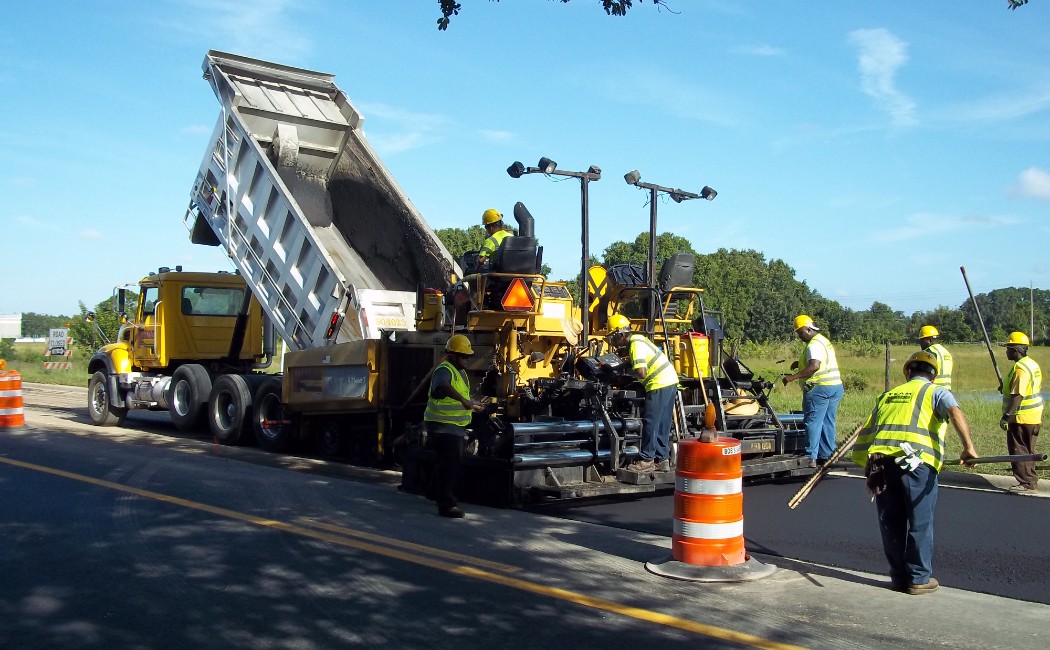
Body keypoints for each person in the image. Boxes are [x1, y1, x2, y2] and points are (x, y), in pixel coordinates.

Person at [851, 351, 978, 595]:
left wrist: (861, 462)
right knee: (919, 521)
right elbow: (954, 412)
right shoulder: (935, 392)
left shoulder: (888, 396)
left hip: (883, 465)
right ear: (933, 375)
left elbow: (867, 432)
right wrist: (969, 448)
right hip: (916, 465)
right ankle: (919, 579)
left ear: (908, 371)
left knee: (891, 522)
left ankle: (899, 577)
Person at [606, 313, 679, 473]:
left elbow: (641, 372)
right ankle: (662, 458)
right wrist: (619, 366)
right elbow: (635, 363)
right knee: (662, 423)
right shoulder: (639, 339)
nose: (614, 342)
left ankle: (646, 460)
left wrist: (621, 375)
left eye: (614, 337)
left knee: (650, 422)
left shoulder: (634, 345)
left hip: (658, 383)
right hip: (670, 380)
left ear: (622, 334)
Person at [423, 334, 484, 518]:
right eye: (464, 356)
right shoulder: (444, 370)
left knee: (446, 462)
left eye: (469, 356)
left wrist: (473, 404)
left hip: (452, 426)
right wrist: (464, 401)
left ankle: (433, 492)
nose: (468, 359)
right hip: (442, 426)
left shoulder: (461, 373)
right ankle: (447, 505)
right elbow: (442, 386)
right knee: (451, 464)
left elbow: (461, 398)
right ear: (452, 355)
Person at [782, 315, 844, 467]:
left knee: (813, 422)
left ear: (808, 329)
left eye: (800, 332)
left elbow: (814, 366)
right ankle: (828, 455)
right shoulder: (823, 340)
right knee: (828, 422)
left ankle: (810, 457)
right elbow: (819, 361)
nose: (799, 336)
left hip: (819, 388)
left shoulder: (813, 345)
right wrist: (799, 363)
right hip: (835, 387)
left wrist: (792, 377)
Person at [999, 331, 1042, 492]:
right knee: (1028, 450)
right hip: (1034, 416)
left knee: (1019, 450)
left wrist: (1007, 416)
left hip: (1021, 417)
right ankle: (1031, 479)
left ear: (1016, 350)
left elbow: (1018, 394)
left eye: (1008, 348)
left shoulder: (1020, 368)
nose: (1006, 351)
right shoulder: (1031, 364)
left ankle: (1026, 483)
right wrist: (1003, 387)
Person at [917, 325, 953, 390]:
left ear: (930, 340)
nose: (920, 343)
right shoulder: (946, 352)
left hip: (933, 390)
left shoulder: (929, 352)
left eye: (922, 340)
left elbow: (922, 374)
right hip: (947, 391)